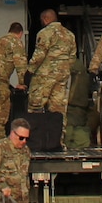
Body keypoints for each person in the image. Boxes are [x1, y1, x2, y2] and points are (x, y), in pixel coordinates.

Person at [24, 8, 77, 144]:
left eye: (42, 20)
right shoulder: (69, 35)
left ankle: (35, 142)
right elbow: (72, 58)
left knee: (36, 107)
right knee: (58, 111)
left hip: (44, 76)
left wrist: (29, 71)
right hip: (62, 77)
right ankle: (57, 142)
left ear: (46, 19)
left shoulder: (45, 33)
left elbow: (39, 55)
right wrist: (63, 69)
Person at [0, 21, 28, 134]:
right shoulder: (16, 42)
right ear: (21, 33)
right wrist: (22, 83)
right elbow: (21, 64)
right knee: (2, 108)